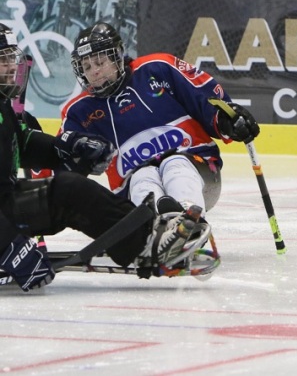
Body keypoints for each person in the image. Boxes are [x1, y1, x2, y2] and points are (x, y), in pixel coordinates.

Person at [0, 22, 209, 292]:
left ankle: (146, 239)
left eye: (9, 58)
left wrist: (68, 148)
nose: (10, 68)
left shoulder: (3, 102)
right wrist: (9, 246)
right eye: (1, 61)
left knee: (71, 190)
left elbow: (23, 143)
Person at [53, 21, 259, 217]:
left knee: (174, 164)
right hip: (131, 190)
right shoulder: (79, 112)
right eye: (87, 67)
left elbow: (207, 102)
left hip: (201, 171)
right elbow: (60, 156)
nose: (95, 71)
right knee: (142, 177)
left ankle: (188, 218)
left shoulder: (158, 69)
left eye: (100, 61)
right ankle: (154, 228)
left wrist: (227, 121)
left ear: (117, 56)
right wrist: (44, 188)